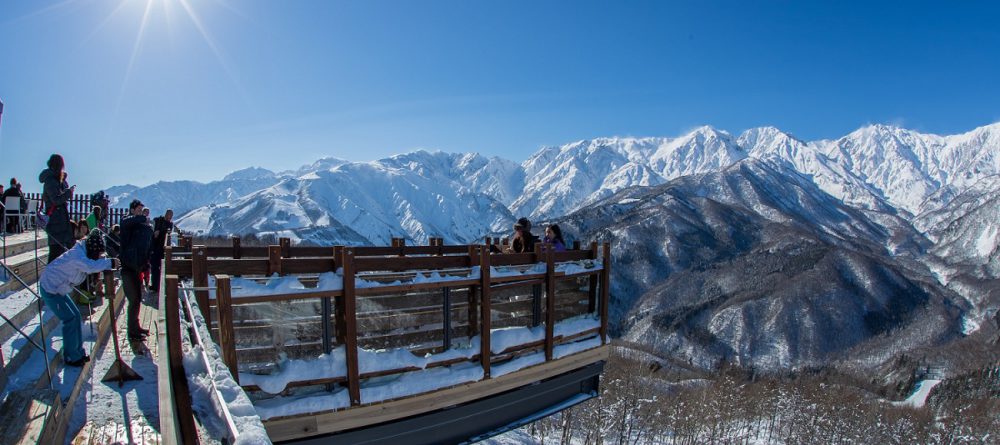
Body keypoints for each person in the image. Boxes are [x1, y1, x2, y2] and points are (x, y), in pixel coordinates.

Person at [39, 229, 118, 366]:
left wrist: (105, 260)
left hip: (58, 289)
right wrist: (110, 263)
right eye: (98, 253)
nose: (99, 256)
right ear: (93, 250)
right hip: (51, 289)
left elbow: (93, 263)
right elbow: (90, 266)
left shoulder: (82, 252)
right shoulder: (77, 256)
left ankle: (77, 352)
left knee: (75, 315)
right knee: (70, 319)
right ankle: (71, 356)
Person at [119, 199, 153, 341]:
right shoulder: (127, 223)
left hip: (137, 267)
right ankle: (132, 332)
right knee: (133, 300)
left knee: (137, 299)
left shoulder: (140, 226)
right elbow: (127, 221)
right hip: (128, 268)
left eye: (141, 210)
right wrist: (142, 217)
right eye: (138, 209)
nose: (140, 212)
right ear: (132, 210)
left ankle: (136, 327)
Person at [39, 154, 76, 262]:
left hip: (60, 220)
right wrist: (68, 192)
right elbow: (56, 199)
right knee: (55, 251)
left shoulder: (56, 179)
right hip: (55, 220)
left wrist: (64, 183)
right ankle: (49, 277)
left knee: (61, 251)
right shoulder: (50, 180)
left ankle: (57, 277)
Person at [149, 209, 174, 293]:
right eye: (168, 215)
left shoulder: (170, 224)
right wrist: (156, 232)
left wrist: (159, 232)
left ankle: (159, 285)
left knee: (161, 267)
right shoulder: (158, 220)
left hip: (162, 248)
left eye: (171, 215)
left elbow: (166, 233)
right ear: (166, 214)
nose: (169, 217)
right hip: (155, 246)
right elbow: (153, 228)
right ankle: (155, 285)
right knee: (154, 267)